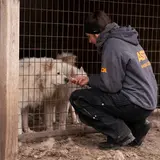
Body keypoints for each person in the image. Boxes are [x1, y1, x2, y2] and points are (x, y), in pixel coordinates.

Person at [69, 10, 158, 149]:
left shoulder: (112, 46)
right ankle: (138, 126)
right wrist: (89, 80)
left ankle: (119, 134)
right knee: (105, 98)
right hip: (148, 101)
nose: (90, 41)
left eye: (89, 37)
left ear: (97, 33)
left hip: (135, 102)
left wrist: (90, 81)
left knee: (78, 98)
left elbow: (111, 86)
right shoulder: (126, 39)